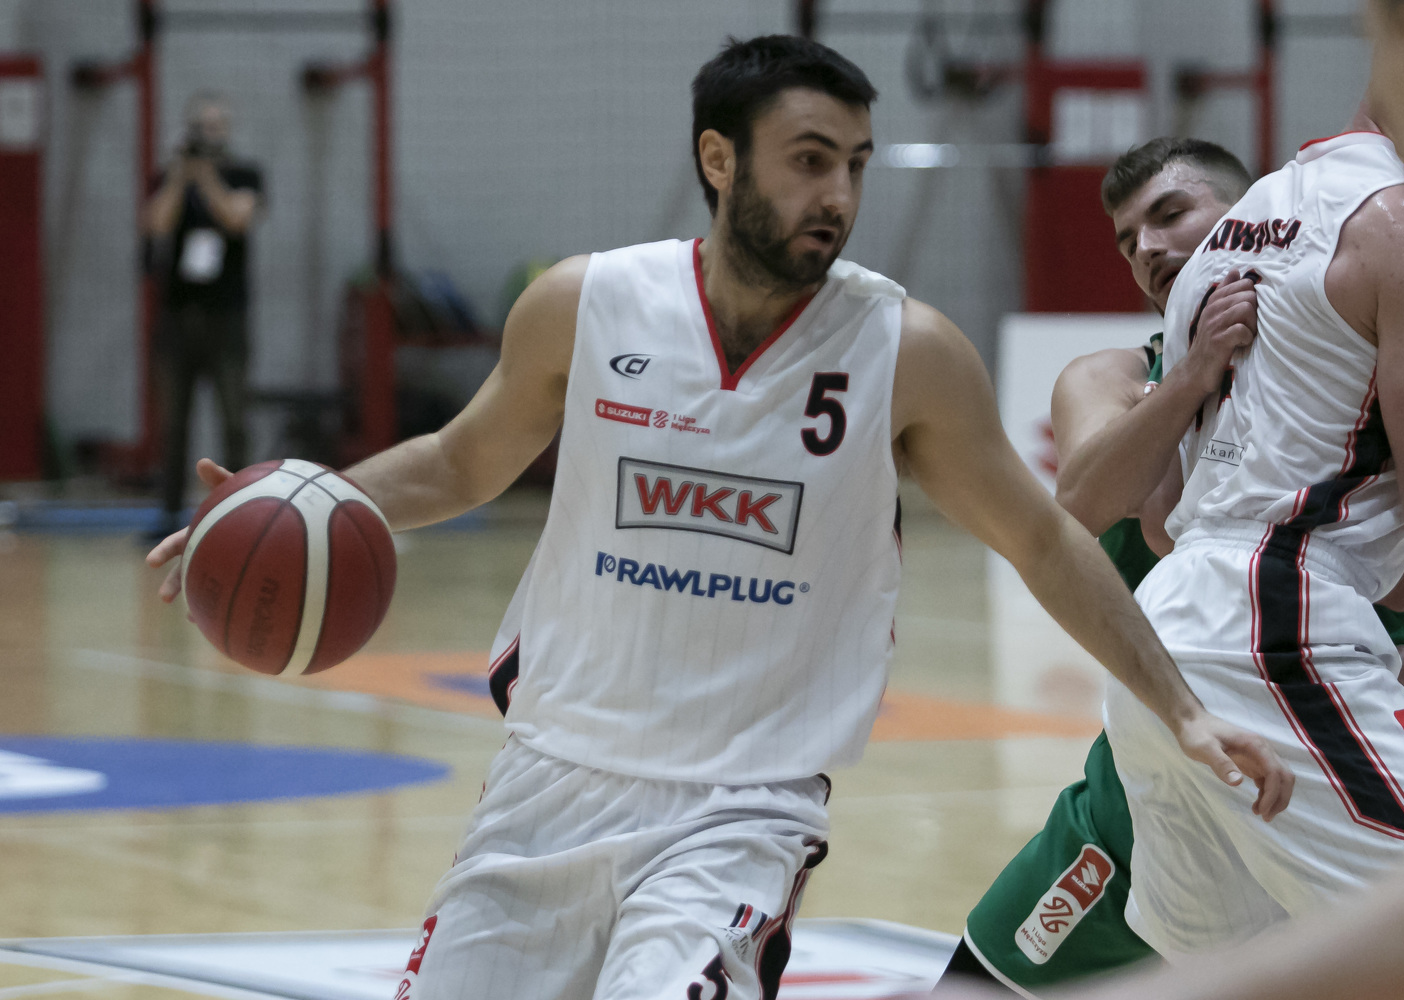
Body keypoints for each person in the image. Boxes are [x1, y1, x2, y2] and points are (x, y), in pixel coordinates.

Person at [149, 36, 1291, 1000]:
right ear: (718, 158)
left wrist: (1184, 712)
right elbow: (458, 461)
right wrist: (298, 500)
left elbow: (1044, 540)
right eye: (809, 160)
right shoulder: (587, 304)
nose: (837, 195)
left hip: (739, 812)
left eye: (854, 165)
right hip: (548, 781)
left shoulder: (906, 352)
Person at [1036, 4, 1404, 998]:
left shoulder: (1231, 240)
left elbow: (1162, 520)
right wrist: (1322, 636)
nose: (1148, 243)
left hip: (1173, 638)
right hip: (1277, 629)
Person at [939, 139, 1404, 996]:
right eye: (1126, 238)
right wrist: (1191, 375)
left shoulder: (1355, 372)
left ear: (1257, 221)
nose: (1146, 246)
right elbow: (1084, 509)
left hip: (1301, 760)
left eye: (1171, 214)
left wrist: (1375, 660)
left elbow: (1400, 579)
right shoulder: (1111, 375)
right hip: (1152, 785)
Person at [141, 91, 263, 539]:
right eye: (201, 127)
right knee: (173, 424)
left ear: (226, 132)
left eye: (216, 127)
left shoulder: (244, 174)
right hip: (178, 319)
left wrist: (208, 177)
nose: (208, 136)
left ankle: (244, 514)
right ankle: (169, 513)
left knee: (234, 421)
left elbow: (236, 219)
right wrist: (180, 175)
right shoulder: (170, 178)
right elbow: (156, 223)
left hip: (226, 319)